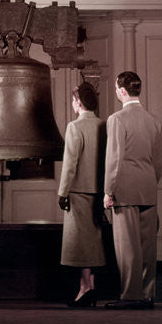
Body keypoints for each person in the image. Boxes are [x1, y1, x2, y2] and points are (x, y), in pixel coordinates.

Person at [103, 71, 162, 309]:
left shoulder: (116, 119)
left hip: (125, 190)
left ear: (121, 91)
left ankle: (130, 295)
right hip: (148, 187)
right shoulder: (154, 121)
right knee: (148, 247)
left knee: (127, 248)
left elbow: (114, 159)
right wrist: (150, 182)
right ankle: (148, 294)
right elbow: (157, 163)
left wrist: (109, 191)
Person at [57, 81, 106, 307]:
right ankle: (91, 287)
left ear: (78, 102)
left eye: (74, 100)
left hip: (77, 191)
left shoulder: (74, 127)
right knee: (95, 241)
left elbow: (70, 164)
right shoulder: (104, 125)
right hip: (99, 191)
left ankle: (85, 288)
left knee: (81, 243)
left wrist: (63, 192)